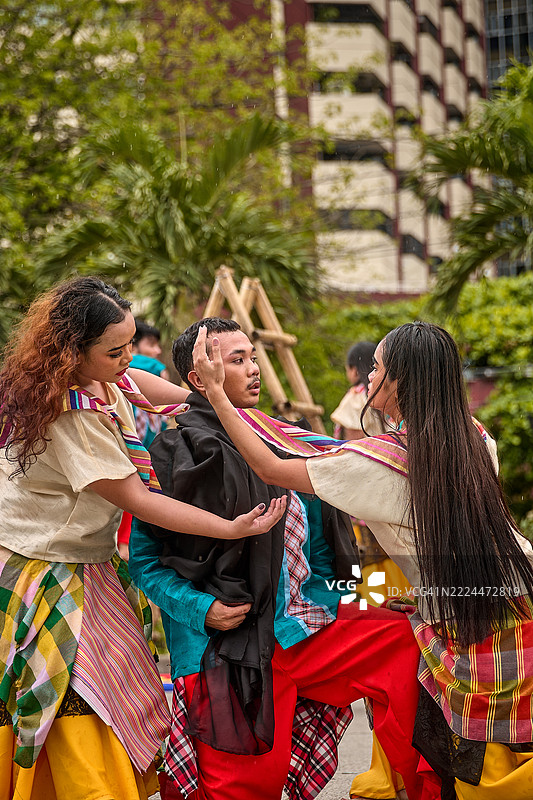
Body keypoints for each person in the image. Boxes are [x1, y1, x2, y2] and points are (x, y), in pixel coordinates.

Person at [193, 320, 533, 800]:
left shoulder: (382, 462)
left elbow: (271, 466)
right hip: (516, 597)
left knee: (486, 768)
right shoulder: (473, 438)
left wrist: (217, 397)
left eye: (374, 369)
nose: (366, 380)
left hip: (473, 621)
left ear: (398, 382)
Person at [129, 318, 439, 800]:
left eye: (253, 356)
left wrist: (358, 596)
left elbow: (323, 556)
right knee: (246, 788)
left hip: (303, 631)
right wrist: (201, 608)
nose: (253, 369)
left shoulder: (287, 443)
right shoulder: (171, 456)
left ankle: (425, 788)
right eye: (237, 360)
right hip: (226, 647)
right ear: (199, 379)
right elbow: (145, 564)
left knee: (405, 642)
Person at [0, 278, 286, 800]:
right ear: (72, 352)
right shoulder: (75, 414)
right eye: (117, 350)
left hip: (89, 565)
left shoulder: (108, 379)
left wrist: (228, 404)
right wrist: (231, 527)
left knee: (126, 692)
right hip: (46, 573)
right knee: (79, 698)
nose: (129, 357)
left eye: (131, 343)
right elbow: (140, 501)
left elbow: (188, 403)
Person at [117, 319, 170, 559]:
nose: (157, 351)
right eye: (151, 344)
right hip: (140, 452)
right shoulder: (151, 367)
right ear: (133, 346)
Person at [331, 341, 386, 440]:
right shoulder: (382, 393)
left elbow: (352, 439)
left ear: (354, 370)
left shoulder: (356, 397)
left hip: (363, 453)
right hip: (381, 451)